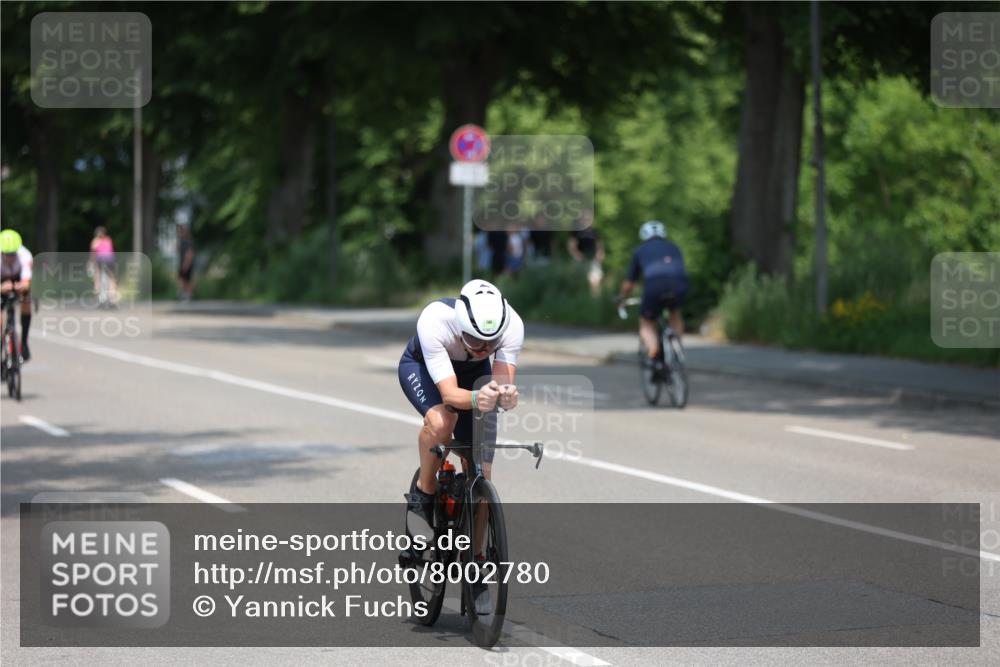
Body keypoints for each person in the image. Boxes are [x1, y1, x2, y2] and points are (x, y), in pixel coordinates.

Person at [397, 279, 523, 612]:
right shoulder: (435, 319)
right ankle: (423, 496)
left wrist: (505, 394)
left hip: (473, 377)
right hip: (426, 370)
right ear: (461, 326)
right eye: (474, 341)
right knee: (442, 422)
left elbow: (500, 383)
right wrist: (478, 396)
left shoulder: (512, 324)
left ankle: (476, 562)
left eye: (489, 343)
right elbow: (451, 395)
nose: (482, 349)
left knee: (482, 471)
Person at [616, 220, 689, 377]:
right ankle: (676, 348)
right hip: (679, 284)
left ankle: (654, 354)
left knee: (647, 324)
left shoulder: (640, 251)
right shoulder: (674, 247)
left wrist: (622, 297)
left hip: (655, 285)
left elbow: (629, 283)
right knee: (675, 313)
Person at [0, 229, 33, 361]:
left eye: (13, 254)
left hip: (17, 280)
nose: (10, 257)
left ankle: (24, 343)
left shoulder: (25, 255)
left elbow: (26, 282)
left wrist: (22, 286)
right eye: (7, 254)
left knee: (26, 301)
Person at [567, 209, 605, 296]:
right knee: (579, 281)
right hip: (581, 259)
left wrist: (600, 254)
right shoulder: (576, 231)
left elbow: (599, 245)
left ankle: (595, 299)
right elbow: (572, 245)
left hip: (592, 259)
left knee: (596, 280)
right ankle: (579, 298)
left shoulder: (594, 231)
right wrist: (577, 255)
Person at [89, 226, 119, 306]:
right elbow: (111, 251)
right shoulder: (108, 239)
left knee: (97, 276)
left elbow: (93, 253)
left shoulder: (95, 241)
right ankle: (113, 297)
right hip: (110, 259)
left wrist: (91, 262)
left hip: (100, 260)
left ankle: (98, 293)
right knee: (111, 278)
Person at [176, 224, 195, 302]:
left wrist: (186, 264)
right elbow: (176, 249)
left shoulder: (188, 242)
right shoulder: (181, 241)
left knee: (186, 280)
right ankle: (184, 295)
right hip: (182, 262)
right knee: (181, 279)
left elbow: (190, 253)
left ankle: (187, 296)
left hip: (186, 263)